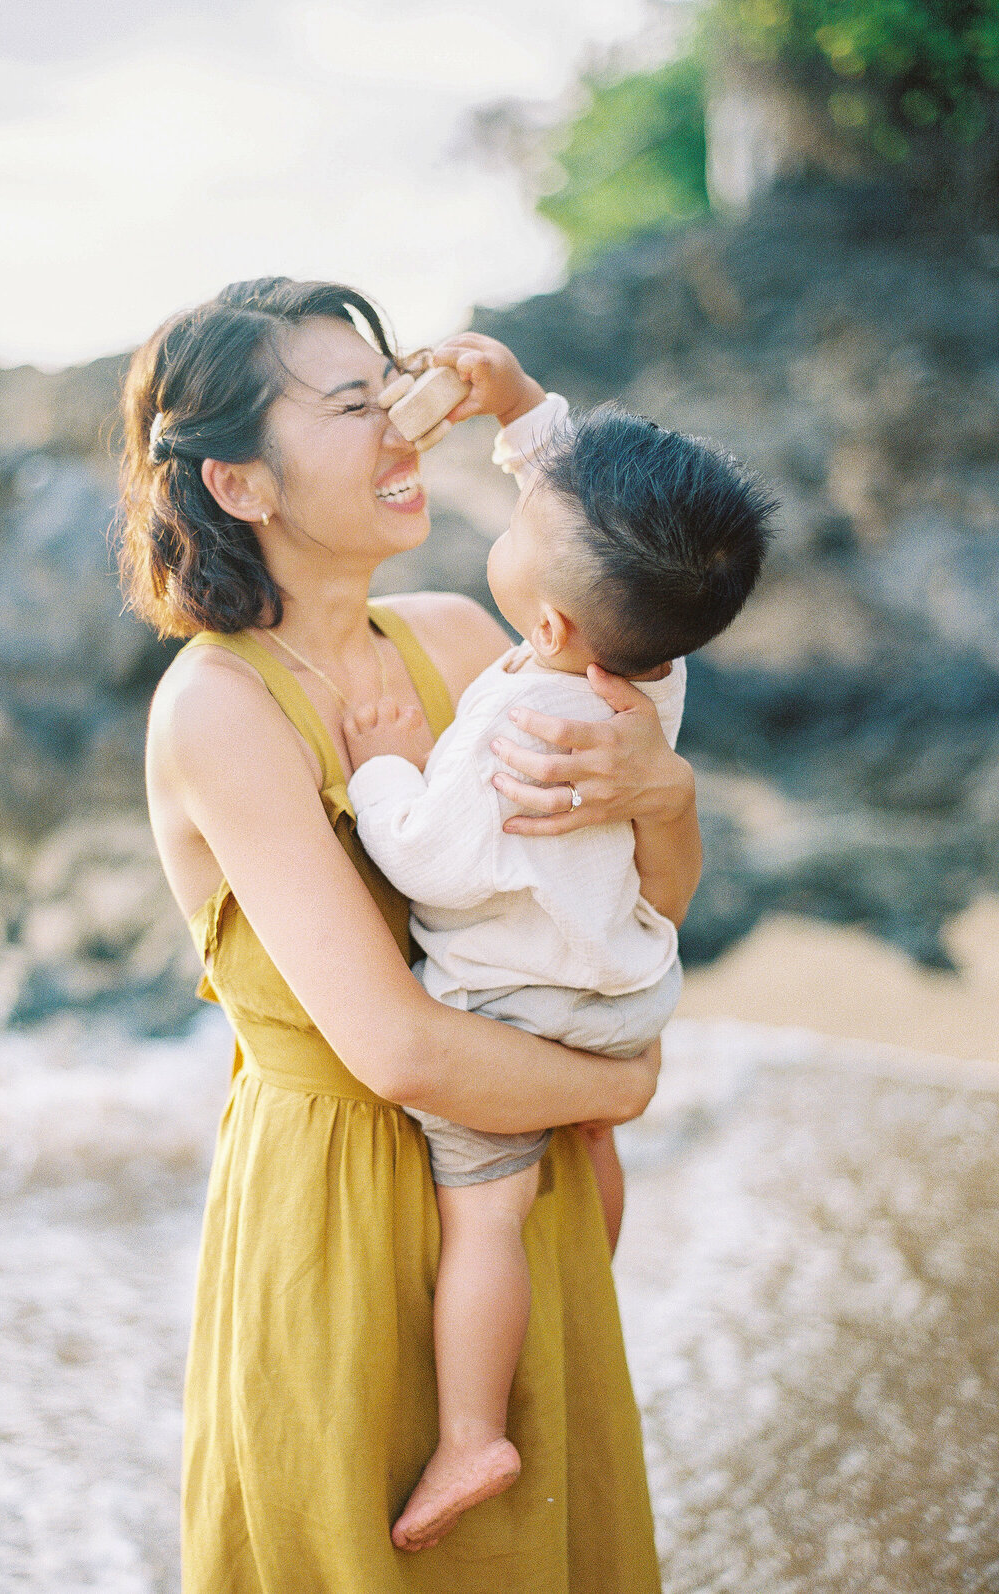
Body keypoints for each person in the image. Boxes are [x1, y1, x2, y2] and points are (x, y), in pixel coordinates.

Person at [118, 277, 702, 1593]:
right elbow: (395, 1046)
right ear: (242, 484)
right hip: (339, 1229)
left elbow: (639, 898)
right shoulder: (218, 709)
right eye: (348, 403)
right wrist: (619, 1083)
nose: (399, 425)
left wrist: (663, 790)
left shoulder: (459, 638)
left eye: (394, 387)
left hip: (516, 1196)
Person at [344, 359, 775, 1551]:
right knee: (588, 1136)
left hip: (516, 1008)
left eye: (519, 520)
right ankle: (594, 1249)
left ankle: (474, 1429)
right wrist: (521, 400)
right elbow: (588, 510)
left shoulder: (521, 727)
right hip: (625, 990)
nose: (515, 504)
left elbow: (432, 861)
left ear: (541, 624)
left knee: (484, 1211)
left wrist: (382, 767)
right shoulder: (652, 670)